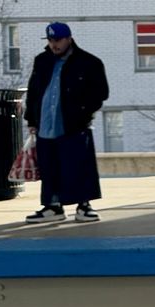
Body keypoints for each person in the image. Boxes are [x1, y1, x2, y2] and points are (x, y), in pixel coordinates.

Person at [22, 22, 107, 223]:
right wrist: (32, 120)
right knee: (50, 166)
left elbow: (100, 93)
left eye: (58, 40)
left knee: (78, 165)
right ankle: (53, 206)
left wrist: (83, 113)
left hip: (74, 125)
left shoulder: (88, 62)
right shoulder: (42, 61)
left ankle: (83, 205)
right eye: (51, 40)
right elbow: (34, 92)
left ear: (69, 38)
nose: (54, 44)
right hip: (46, 125)